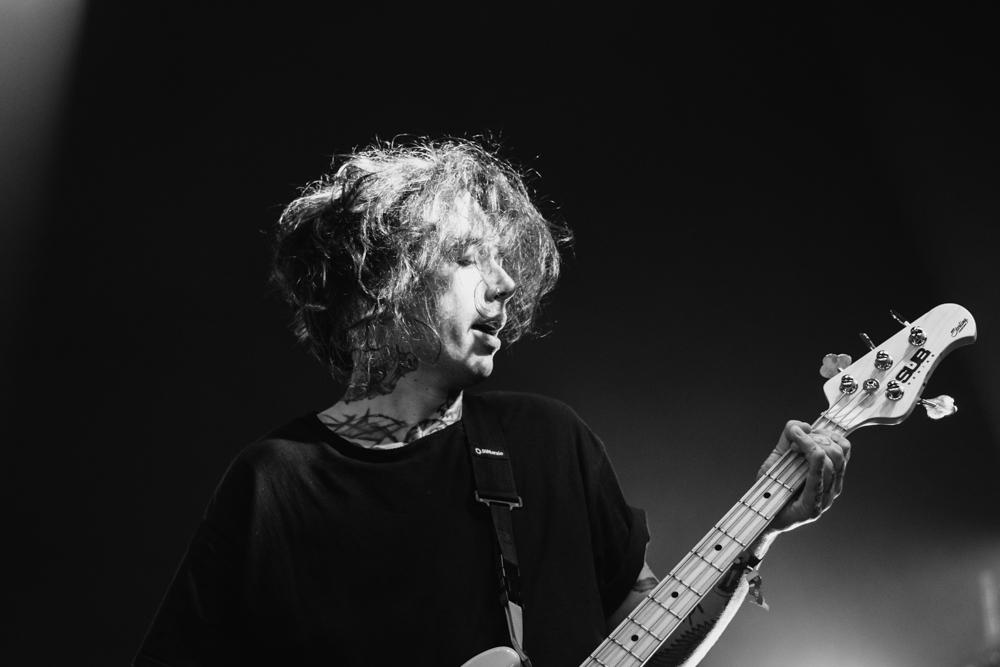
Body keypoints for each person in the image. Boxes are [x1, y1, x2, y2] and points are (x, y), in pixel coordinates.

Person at [133, 139, 850, 667]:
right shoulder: (273, 485)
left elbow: (650, 644)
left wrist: (761, 526)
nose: (505, 284)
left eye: (505, 261)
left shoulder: (547, 440)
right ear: (385, 276)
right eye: (471, 256)